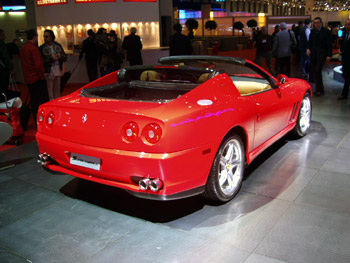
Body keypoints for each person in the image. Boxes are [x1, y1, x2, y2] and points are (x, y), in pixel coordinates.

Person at [20, 29, 49, 124]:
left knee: (33, 100)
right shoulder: (33, 49)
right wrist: (42, 76)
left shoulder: (23, 48)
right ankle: (40, 119)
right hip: (36, 78)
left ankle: (35, 117)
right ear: (34, 37)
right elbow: (38, 65)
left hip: (28, 77)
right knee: (40, 100)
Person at [307, 17, 332, 96]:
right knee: (315, 71)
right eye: (315, 23)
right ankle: (319, 89)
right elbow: (310, 42)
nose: (316, 24)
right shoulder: (313, 31)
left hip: (322, 54)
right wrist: (308, 49)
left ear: (321, 23)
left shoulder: (326, 31)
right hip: (314, 54)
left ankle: (319, 89)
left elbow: (329, 44)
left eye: (318, 23)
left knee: (318, 70)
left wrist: (329, 55)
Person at [39, 29, 67, 100]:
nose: (45, 38)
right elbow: (41, 61)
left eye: (47, 36)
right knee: (50, 91)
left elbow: (65, 57)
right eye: (44, 36)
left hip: (57, 70)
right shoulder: (42, 48)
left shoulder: (58, 45)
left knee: (57, 90)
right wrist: (52, 59)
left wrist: (60, 57)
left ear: (51, 37)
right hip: (48, 72)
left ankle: (57, 104)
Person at [0, 29, 15, 101]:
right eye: (3, 35)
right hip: (2, 71)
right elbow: (5, 57)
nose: (5, 37)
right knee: (4, 89)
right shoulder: (2, 45)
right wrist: (11, 68)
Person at [337, 19, 350, 100]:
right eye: (346, 24)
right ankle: (344, 94)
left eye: (349, 24)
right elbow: (342, 44)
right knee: (346, 76)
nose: (347, 26)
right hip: (345, 59)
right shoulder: (344, 32)